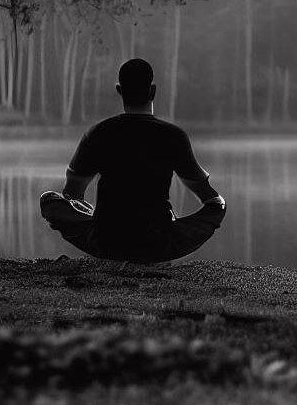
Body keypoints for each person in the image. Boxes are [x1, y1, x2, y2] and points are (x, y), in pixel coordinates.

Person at [39, 58, 226, 263]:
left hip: (107, 240)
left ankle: (105, 227)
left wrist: (92, 212)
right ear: (152, 91)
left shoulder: (99, 133)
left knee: (49, 200)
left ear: (120, 91)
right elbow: (206, 194)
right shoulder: (173, 136)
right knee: (218, 205)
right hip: (158, 242)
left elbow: (72, 192)